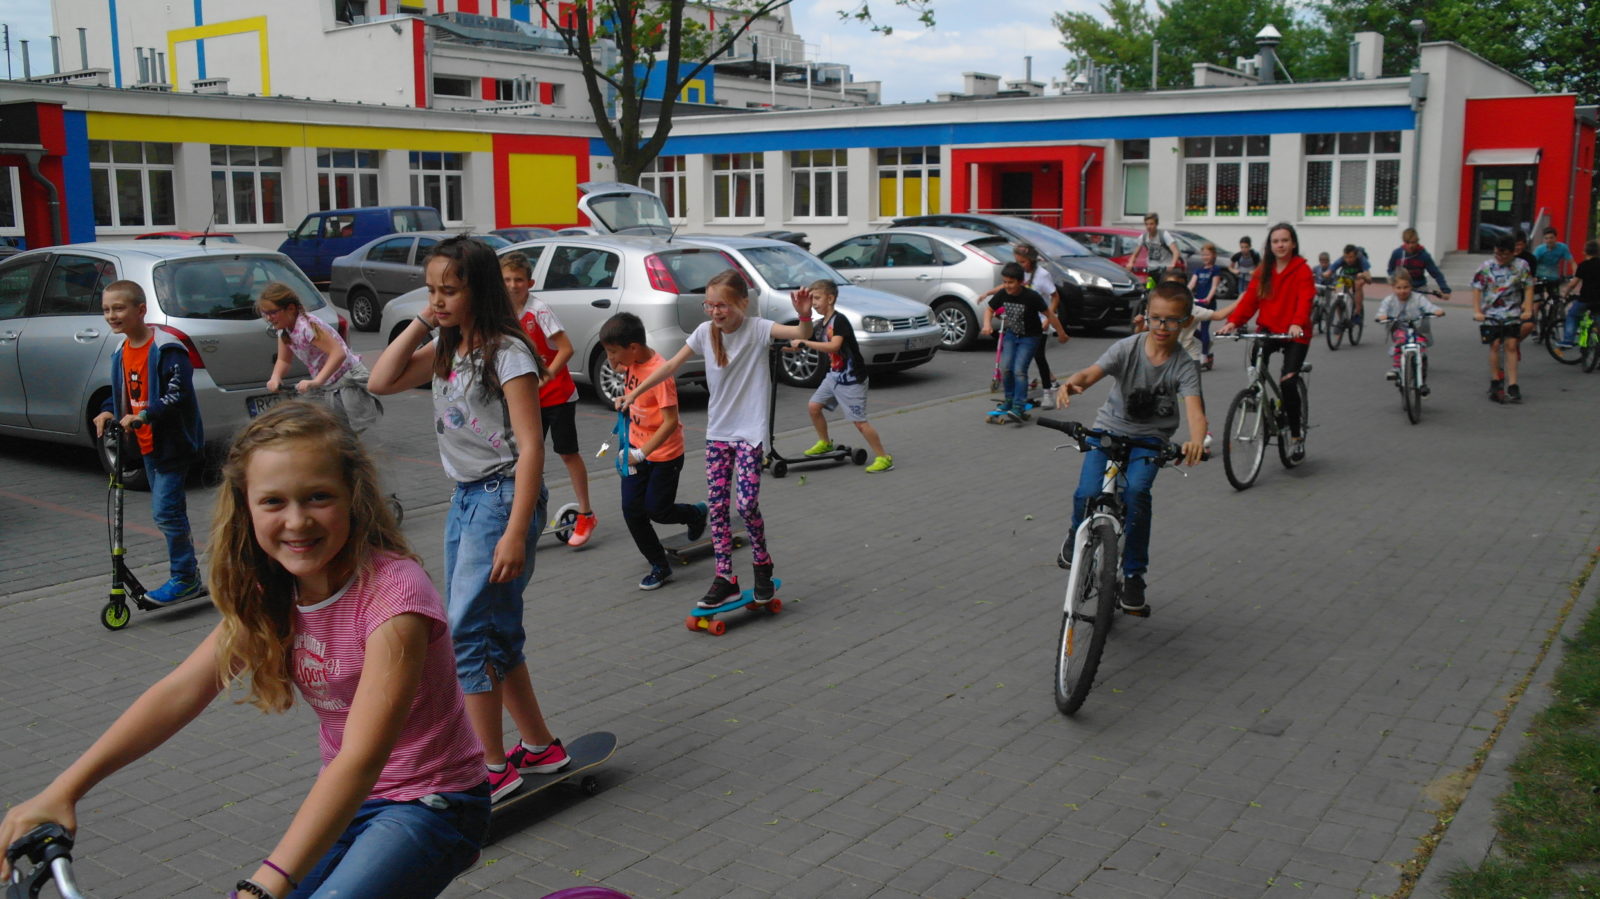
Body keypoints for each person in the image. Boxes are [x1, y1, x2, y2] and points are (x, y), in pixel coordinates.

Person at [0, 402, 490, 898]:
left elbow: (359, 760)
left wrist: (263, 885)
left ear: (353, 496)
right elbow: (180, 692)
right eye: (273, 502)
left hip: (433, 801)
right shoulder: (273, 590)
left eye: (318, 497)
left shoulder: (394, 597)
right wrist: (65, 790)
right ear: (246, 506)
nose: (297, 521)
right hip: (350, 798)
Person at [368, 235, 568, 803]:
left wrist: (515, 532)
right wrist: (422, 322)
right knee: (495, 632)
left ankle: (491, 767)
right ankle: (540, 747)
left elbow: (532, 446)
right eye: (431, 290)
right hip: (466, 500)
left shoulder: (508, 353)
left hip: (501, 499)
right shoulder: (447, 347)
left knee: (466, 636)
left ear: (478, 290)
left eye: (450, 291)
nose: (438, 300)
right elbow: (380, 380)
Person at [615, 269, 816, 610]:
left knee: (746, 505)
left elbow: (802, 333)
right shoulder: (704, 332)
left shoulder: (758, 328)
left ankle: (762, 565)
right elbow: (669, 367)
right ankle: (725, 579)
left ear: (742, 303)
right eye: (709, 305)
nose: (715, 312)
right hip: (718, 435)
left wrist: (805, 315)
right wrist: (634, 394)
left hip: (750, 433)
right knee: (719, 509)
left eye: (721, 305)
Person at [1055, 282, 1207, 615]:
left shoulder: (1184, 365)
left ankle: (1134, 575)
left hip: (1150, 439)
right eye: (1156, 318)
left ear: (1185, 322)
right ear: (1146, 316)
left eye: (1171, 320)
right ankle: (1075, 531)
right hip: (1109, 430)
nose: (1162, 326)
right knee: (1087, 492)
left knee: (1137, 493)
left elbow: (1195, 411)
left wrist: (1196, 440)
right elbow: (1090, 375)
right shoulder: (1127, 348)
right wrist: (1072, 384)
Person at [92, 280, 204, 604]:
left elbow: (178, 394)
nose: (111, 315)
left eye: (118, 308)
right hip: (146, 445)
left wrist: (144, 416)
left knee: (166, 513)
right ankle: (188, 575)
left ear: (141, 310)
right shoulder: (121, 351)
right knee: (168, 512)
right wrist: (108, 410)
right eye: (106, 310)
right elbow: (124, 391)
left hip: (172, 445)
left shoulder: (166, 348)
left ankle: (185, 579)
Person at [599, 311, 708, 591]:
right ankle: (659, 564)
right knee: (632, 510)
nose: (611, 359)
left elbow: (670, 422)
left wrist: (642, 453)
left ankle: (694, 514)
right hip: (635, 448)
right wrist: (624, 400)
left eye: (613, 352)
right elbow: (636, 395)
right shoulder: (632, 363)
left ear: (633, 347)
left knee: (657, 510)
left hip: (664, 455)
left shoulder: (660, 375)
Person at [501, 251, 597, 548]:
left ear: (529, 283)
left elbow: (566, 348)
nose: (513, 285)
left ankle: (586, 513)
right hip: (526, 398)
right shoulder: (500, 312)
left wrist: (546, 376)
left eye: (519, 280)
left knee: (567, 453)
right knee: (527, 457)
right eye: (507, 280)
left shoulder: (539, 310)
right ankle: (523, 515)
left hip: (557, 395)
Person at [1217, 222, 1317, 458]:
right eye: (1276, 241)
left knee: (1288, 382)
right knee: (1256, 358)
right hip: (1270, 330)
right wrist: (1233, 322)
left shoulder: (1302, 270)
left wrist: (1297, 323)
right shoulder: (1263, 271)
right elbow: (1250, 300)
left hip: (1295, 333)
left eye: (1285, 241)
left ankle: (1296, 436)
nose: (1280, 245)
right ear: (1270, 245)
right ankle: (1257, 395)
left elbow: (1306, 299)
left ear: (1293, 243)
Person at [789, 279, 893, 472]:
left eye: (817, 298)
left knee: (859, 422)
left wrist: (805, 344)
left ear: (830, 299)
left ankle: (884, 458)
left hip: (852, 379)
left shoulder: (840, 320)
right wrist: (780, 347)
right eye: (812, 299)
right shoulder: (821, 324)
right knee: (814, 407)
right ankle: (825, 443)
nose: (814, 303)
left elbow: (834, 346)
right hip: (834, 376)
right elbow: (801, 340)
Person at [260, 282, 382, 433]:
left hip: (346, 380)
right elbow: (283, 360)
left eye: (272, 312)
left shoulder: (306, 327)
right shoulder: (284, 330)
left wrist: (317, 381)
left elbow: (338, 353)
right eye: (264, 313)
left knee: (346, 432)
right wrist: (275, 377)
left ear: (290, 308)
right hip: (326, 383)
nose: (268, 318)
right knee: (313, 427)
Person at [978, 243, 1070, 406]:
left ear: (1031, 260)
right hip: (1015, 328)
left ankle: (1047, 392)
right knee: (1010, 367)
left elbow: (1054, 298)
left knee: (1035, 359)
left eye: (1022, 262)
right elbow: (1005, 287)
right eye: (1017, 261)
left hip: (1038, 324)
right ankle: (1016, 396)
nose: (1020, 265)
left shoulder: (1041, 277)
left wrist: (1052, 325)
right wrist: (988, 293)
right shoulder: (1016, 277)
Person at [1471, 234, 1535, 404]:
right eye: (1497, 253)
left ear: (1513, 253)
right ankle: (1495, 381)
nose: (1500, 257)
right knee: (1494, 345)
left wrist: (1528, 308)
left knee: (1511, 345)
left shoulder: (1521, 266)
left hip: (1512, 312)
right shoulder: (1486, 267)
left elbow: (1528, 287)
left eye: (1504, 254)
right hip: (1490, 312)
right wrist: (1477, 311)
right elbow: (1477, 288)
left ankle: (1513, 384)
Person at [1375, 271, 1446, 390]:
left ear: (1411, 286)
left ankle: (1421, 382)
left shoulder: (1418, 298)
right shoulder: (1389, 300)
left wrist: (1436, 311)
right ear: (1393, 287)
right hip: (1399, 328)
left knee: (1421, 348)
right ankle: (1396, 368)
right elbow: (1381, 311)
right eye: (1398, 288)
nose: (1402, 291)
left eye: (1406, 287)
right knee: (1401, 340)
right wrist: (1382, 316)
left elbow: (1429, 307)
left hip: (1416, 329)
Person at [1386, 228, 1452, 299]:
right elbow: (1390, 270)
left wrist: (1445, 290)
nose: (1410, 246)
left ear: (1417, 241)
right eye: (1407, 243)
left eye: (1413, 242)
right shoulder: (1397, 253)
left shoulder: (1424, 256)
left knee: (1424, 305)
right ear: (1404, 242)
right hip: (1403, 288)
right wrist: (1396, 281)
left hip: (1419, 288)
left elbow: (1436, 274)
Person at [1187, 242, 1223, 370]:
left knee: (1204, 328)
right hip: (1197, 303)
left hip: (1208, 303)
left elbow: (1214, 286)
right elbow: (1191, 285)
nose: (1205, 257)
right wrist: (1184, 293)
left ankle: (1204, 357)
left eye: (1208, 254)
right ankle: (1206, 342)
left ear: (1213, 255)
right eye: (1203, 255)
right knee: (1189, 327)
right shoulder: (1198, 270)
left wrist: (1208, 298)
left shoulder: (1215, 270)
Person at [1559, 239, 1600, 348]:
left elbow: (1573, 284)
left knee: (1572, 315)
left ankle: (1568, 340)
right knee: (1598, 319)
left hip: (1585, 298)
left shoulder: (1583, 265)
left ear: (1585, 252)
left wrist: (1565, 294)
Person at [1136, 212, 1183, 282]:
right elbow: (1135, 254)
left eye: (1151, 224)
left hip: (1165, 270)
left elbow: (1176, 252)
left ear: (1156, 224)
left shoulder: (1164, 235)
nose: (1149, 227)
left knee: (1163, 287)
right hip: (1151, 270)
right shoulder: (1143, 237)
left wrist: (1172, 264)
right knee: (1149, 288)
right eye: (1146, 224)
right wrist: (1131, 262)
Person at [1330, 244, 1373, 321]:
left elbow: (1368, 277)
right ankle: (1341, 319)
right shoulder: (1341, 259)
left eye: (1351, 257)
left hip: (1359, 278)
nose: (1348, 260)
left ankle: (1358, 311)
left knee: (1358, 284)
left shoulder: (1361, 259)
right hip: (1347, 278)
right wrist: (1324, 274)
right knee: (1338, 291)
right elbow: (1330, 270)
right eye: (1346, 257)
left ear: (1356, 256)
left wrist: (1363, 275)